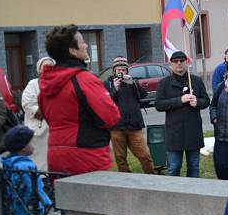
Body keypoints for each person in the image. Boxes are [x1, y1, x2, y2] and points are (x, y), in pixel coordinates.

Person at [39, 25, 120, 176]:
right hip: (87, 154)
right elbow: (111, 117)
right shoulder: (84, 79)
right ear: (73, 51)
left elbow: (48, 116)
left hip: (55, 153)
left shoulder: (46, 82)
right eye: (82, 41)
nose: (86, 45)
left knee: (65, 199)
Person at [154, 51, 210, 178]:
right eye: (175, 61)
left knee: (194, 166)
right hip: (174, 132)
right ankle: (174, 194)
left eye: (181, 61)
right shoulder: (164, 83)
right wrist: (180, 100)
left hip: (193, 131)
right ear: (171, 64)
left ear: (186, 62)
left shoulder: (196, 80)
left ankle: (193, 192)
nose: (179, 64)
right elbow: (159, 105)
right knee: (174, 167)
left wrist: (198, 102)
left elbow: (206, 100)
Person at [105, 57, 155, 174]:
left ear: (127, 71)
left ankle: (151, 176)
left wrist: (132, 83)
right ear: (114, 71)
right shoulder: (108, 84)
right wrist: (115, 89)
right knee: (120, 158)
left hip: (134, 126)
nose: (121, 72)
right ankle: (126, 178)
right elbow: (105, 102)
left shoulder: (133, 82)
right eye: (118, 70)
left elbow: (143, 95)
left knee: (144, 155)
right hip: (116, 127)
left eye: (123, 70)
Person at [21, 57, 54, 171]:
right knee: (39, 162)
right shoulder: (33, 84)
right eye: (45, 67)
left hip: (54, 129)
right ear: (39, 70)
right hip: (38, 129)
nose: (48, 69)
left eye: (51, 66)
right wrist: (46, 111)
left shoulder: (59, 83)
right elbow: (28, 104)